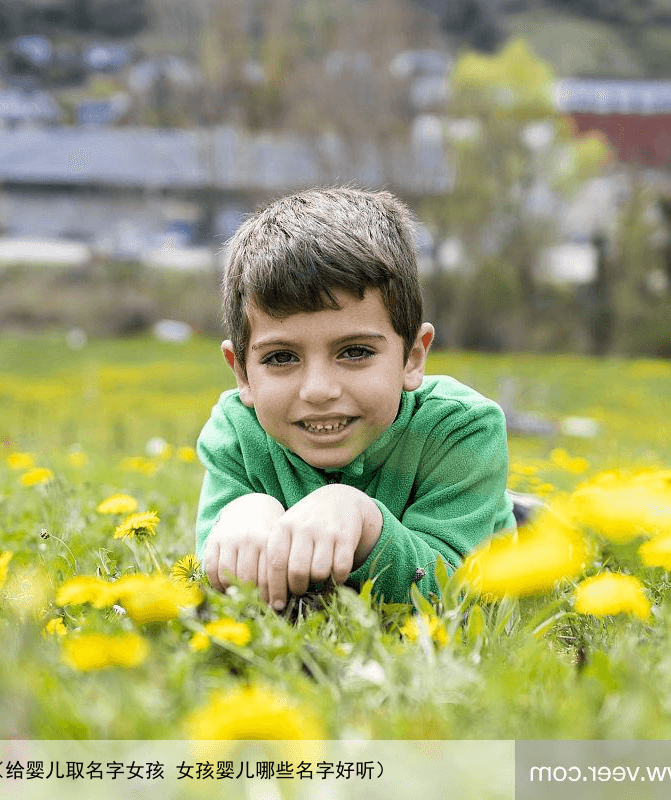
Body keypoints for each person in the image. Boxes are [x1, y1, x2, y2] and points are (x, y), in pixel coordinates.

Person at [195, 187, 516, 608]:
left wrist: (365, 522)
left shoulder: (461, 429)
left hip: (486, 525)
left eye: (355, 352)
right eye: (281, 357)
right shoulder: (236, 432)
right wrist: (241, 517)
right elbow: (214, 592)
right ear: (242, 372)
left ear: (412, 357)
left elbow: (456, 596)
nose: (319, 390)